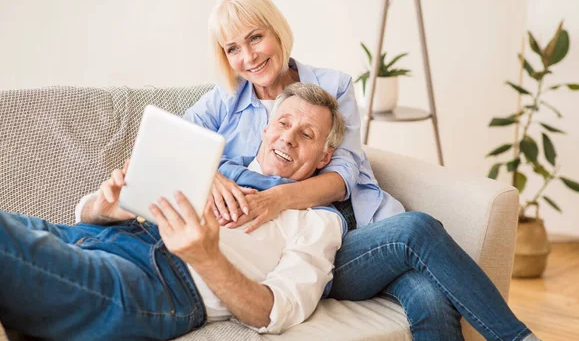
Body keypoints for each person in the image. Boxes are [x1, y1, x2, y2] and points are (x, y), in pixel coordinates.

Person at [183, 0, 540, 341]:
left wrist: (275, 199)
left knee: (429, 296)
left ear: (276, 31)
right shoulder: (224, 101)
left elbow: (341, 177)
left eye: (255, 38)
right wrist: (210, 174)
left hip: (355, 229)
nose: (249, 56)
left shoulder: (333, 85)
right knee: (416, 230)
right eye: (233, 49)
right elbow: (174, 144)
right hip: (308, 247)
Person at [0, 83, 349, 340]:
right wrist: (103, 208)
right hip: (93, 234)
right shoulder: (212, 161)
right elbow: (87, 213)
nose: (288, 139)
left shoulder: (318, 220)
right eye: (284, 124)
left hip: (161, 281)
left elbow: (275, 311)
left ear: (323, 157)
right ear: (266, 129)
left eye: (307, 134)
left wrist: (207, 257)